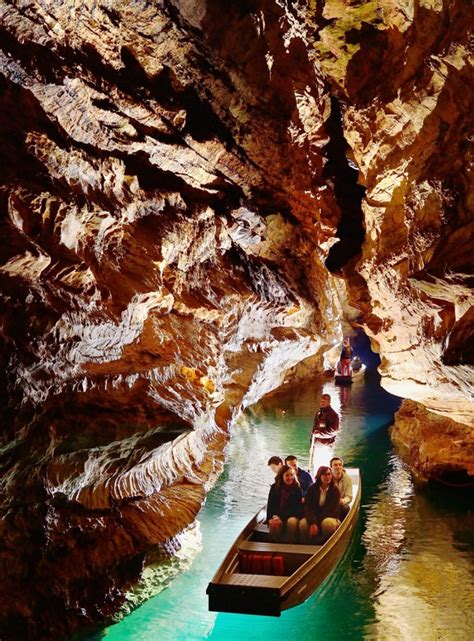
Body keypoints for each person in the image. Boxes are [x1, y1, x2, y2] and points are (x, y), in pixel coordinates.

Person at [299, 466, 341, 543]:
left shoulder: (335, 490)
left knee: (327, 524)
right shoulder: (312, 488)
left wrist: (316, 523)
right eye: (324, 475)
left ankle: (325, 544)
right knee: (303, 524)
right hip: (314, 517)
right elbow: (308, 507)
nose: (327, 477)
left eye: (329, 474)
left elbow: (331, 510)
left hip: (330, 516)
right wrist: (313, 522)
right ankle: (307, 543)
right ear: (319, 476)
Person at [266, 464, 303, 543]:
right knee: (274, 524)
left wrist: (280, 517)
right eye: (287, 475)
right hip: (278, 516)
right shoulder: (274, 488)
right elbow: (270, 506)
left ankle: (290, 543)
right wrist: (270, 519)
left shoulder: (297, 489)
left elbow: (296, 510)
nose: (290, 478)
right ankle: (273, 545)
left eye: (292, 475)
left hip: (292, 516)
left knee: (291, 522)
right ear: (281, 476)